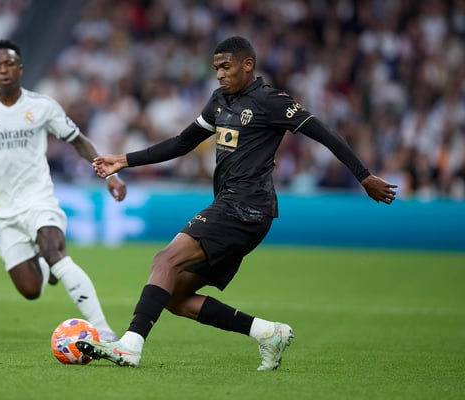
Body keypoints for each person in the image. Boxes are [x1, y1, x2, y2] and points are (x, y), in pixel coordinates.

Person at [76, 36, 398, 370]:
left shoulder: (270, 101)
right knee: (175, 296)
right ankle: (267, 333)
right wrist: (124, 160)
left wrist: (363, 176)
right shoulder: (219, 101)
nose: (219, 74)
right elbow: (182, 143)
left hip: (246, 206)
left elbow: (323, 132)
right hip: (237, 209)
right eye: (216, 68)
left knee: (165, 260)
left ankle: (130, 345)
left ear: (247, 65)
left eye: (226, 67)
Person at [0, 39, 127, 339]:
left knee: (54, 250)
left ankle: (102, 329)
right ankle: (47, 267)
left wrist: (106, 173)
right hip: (2, 211)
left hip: (38, 198)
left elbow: (78, 141)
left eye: (9, 64)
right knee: (31, 290)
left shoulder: (42, 106)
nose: (4, 70)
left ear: (20, 68)